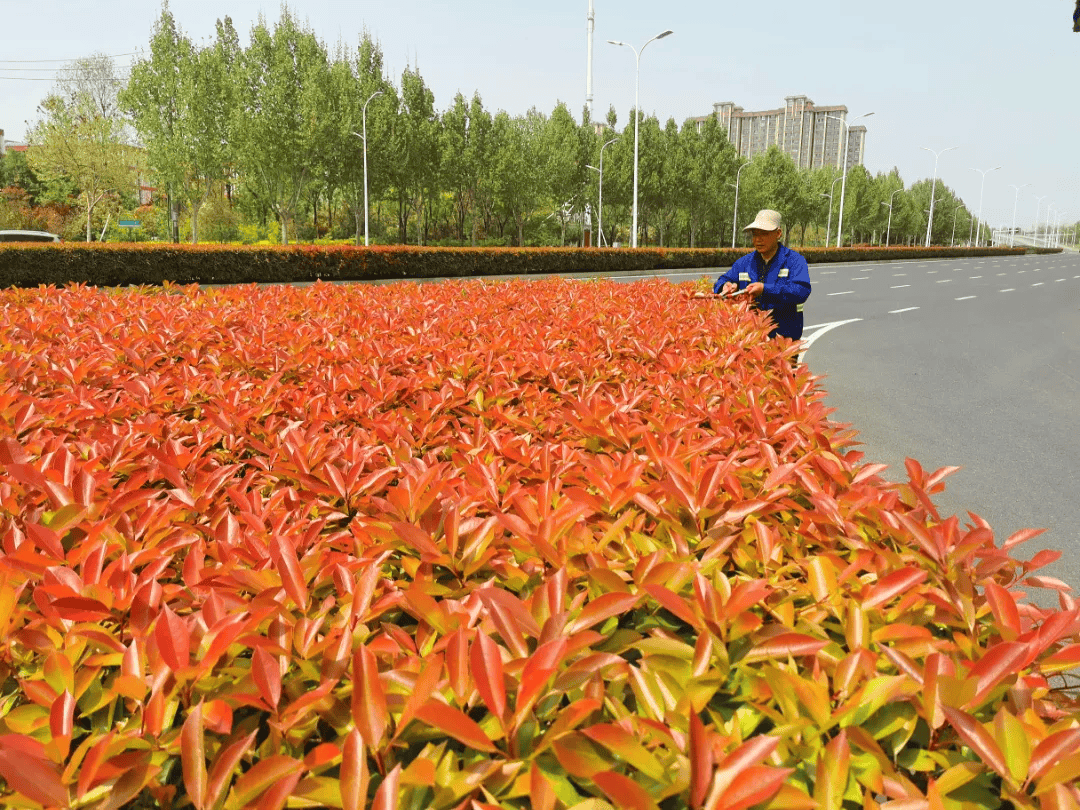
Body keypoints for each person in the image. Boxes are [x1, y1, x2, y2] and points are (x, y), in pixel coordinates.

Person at [713, 209, 811, 340]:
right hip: (751, 339)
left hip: (784, 340)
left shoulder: (794, 261)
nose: (758, 239)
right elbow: (723, 279)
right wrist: (725, 286)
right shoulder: (744, 262)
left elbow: (801, 291)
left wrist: (765, 289)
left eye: (764, 234)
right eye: (755, 234)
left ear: (778, 233)